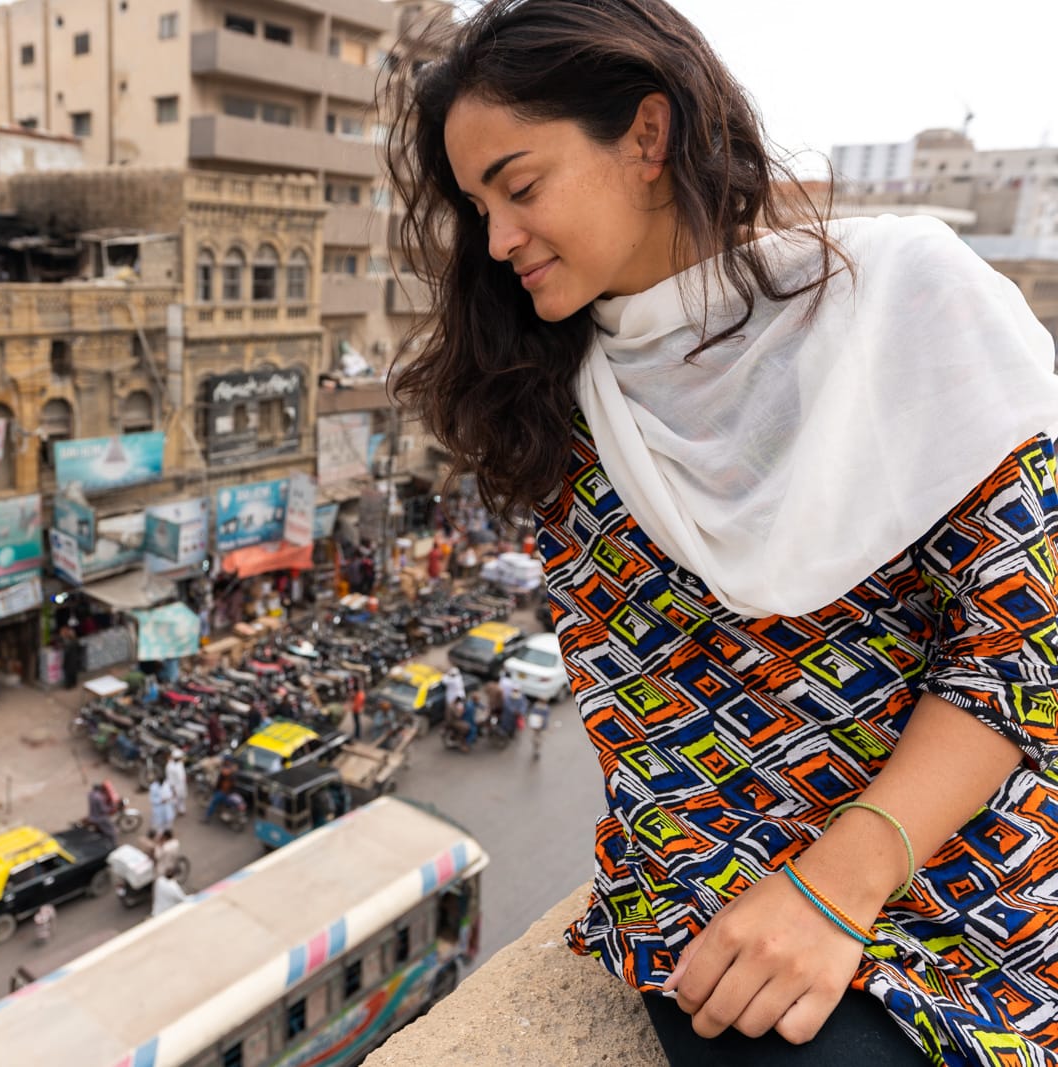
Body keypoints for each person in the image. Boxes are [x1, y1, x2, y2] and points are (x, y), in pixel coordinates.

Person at [386, 1, 1058, 1063]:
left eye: (520, 186)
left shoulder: (896, 298)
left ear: (647, 137)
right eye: (477, 209)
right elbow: (651, 740)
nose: (498, 238)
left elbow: (1023, 643)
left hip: (973, 869)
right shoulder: (558, 404)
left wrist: (838, 887)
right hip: (710, 892)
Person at [203, 757, 240, 823]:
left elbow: (224, 772)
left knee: (213, 803)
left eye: (226, 760)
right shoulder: (233, 769)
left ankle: (207, 818)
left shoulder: (229, 770)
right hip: (229, 791)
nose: (225, 761)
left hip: (223, 791)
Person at [86, 782, 118, 849]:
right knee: (112, 831)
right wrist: (112, 807)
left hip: (92, 815)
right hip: (100, 818)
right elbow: (104, 810)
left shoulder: (90, 794)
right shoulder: (99, 797)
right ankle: (113, 846)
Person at [148, 769, 175, 836]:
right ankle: (160, 834)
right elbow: (151, 799)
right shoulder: (153, 787)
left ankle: (167, 832)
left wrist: (172, 796)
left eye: (162, 781)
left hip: (167, 806)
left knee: (168, 820)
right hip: (158, 808)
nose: (161, 782)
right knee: (158, 823)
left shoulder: (167, 784)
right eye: (160, 781)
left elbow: (170, 793)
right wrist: (160, 801)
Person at [164, 748, 188, 817]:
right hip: (176, 786)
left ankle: (181, 810)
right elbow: (181, 778)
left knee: (180, 799)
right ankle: (172, 813)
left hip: (176, 785)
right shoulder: (176, 767)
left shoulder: (171, 764)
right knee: (176, 800)